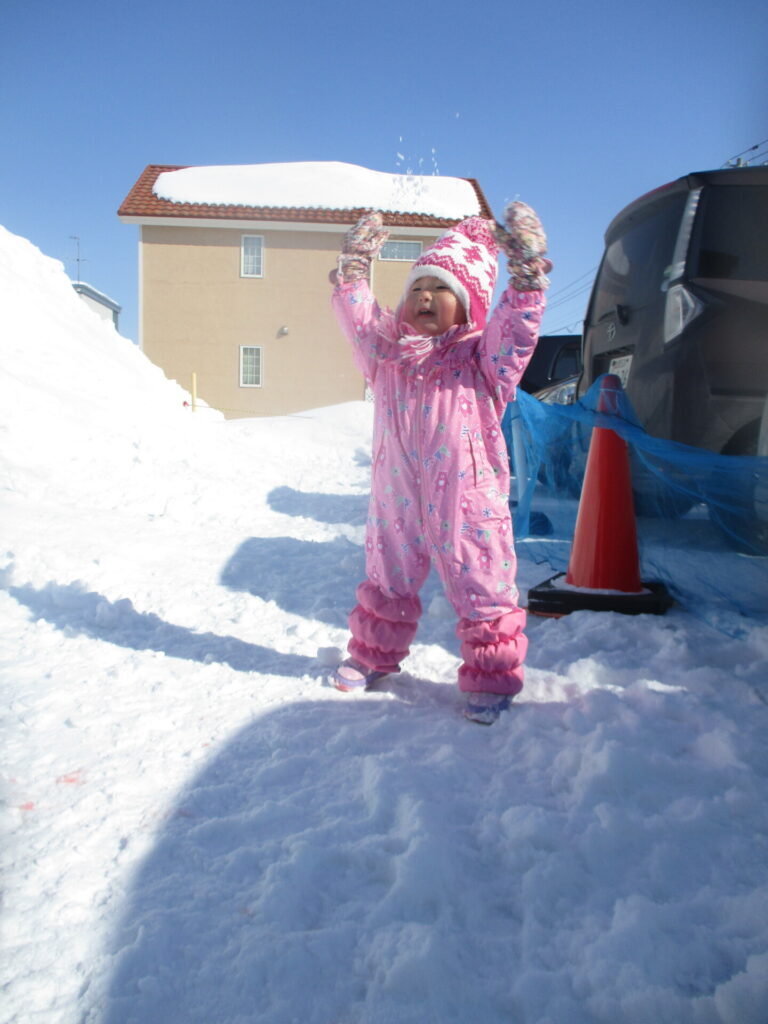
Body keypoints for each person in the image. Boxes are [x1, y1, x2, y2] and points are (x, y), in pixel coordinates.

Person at [329, 201, 551, 723]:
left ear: (470, 305)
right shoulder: (387, 356)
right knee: (387, 577)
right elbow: (359, 320)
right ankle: (372, 656)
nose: (425, 296)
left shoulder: (482, 361)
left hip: (467, 499)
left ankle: (492, 677)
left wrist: (525, 276)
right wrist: (355, 269)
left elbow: (517, 330)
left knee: (482, 583)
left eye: (442, 288)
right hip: (396, 494)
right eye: (417, 289)